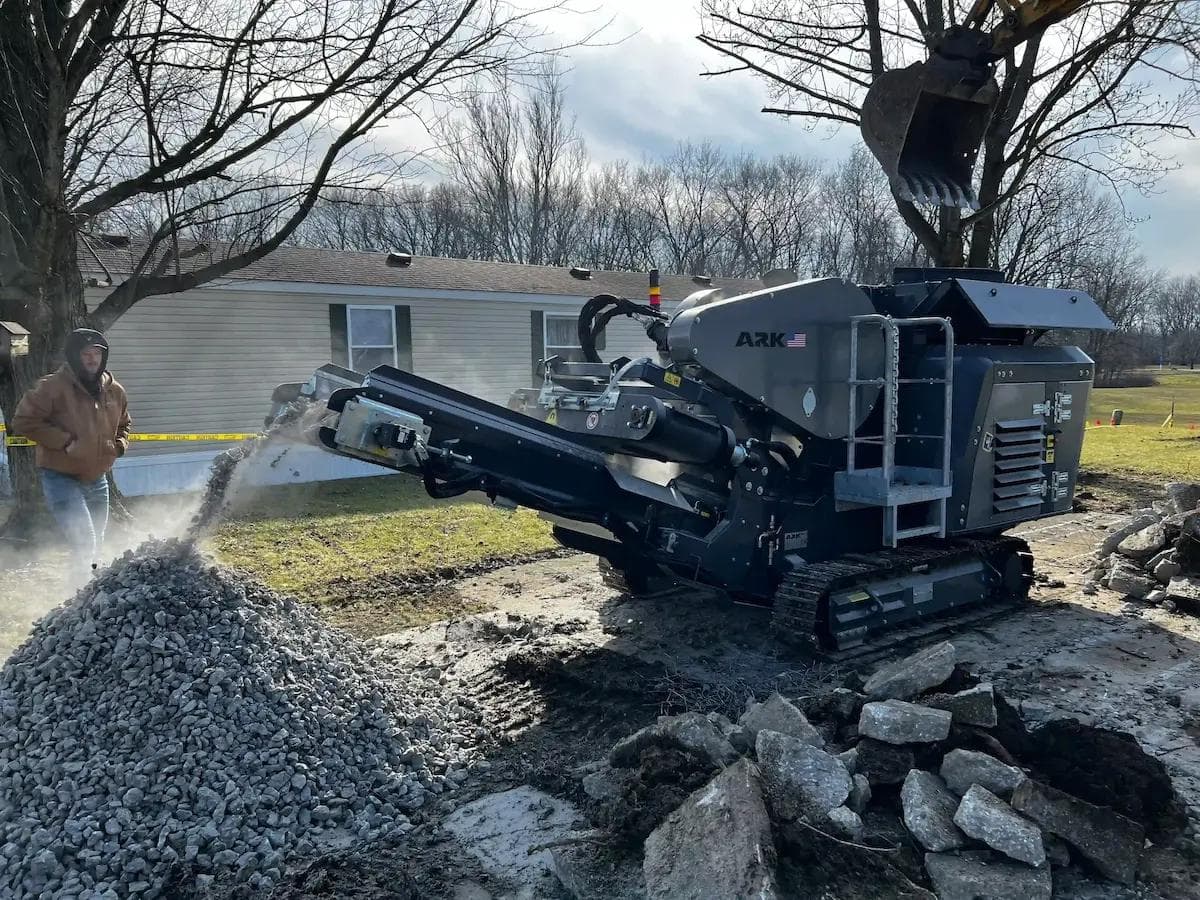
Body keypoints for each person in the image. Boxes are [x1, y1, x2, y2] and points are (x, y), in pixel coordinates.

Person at [11, 328, 132, 575]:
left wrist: (118, 446)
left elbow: (124, 424)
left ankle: (86, 598)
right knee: (85, 540)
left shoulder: (114, 390)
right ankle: (79, 595)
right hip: (61, 478)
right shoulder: (52, 387)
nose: (92, 359)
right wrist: (65, 442)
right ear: (74, 356)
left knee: (96, 542)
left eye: (97, 353)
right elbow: (23, 421)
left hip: (98, 479)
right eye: (86, 353)